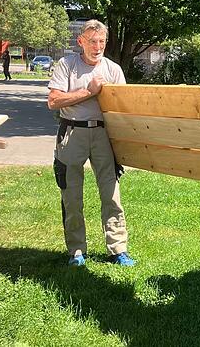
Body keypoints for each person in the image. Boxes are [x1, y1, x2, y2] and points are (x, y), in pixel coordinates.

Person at [47, 19, 135, 267]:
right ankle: (76, 250)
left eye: (101, 42)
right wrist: (89, 91)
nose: (97, 47)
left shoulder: (113, 69)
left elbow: (124, 107)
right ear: (81, 42)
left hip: (103, 135)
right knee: (72, 195)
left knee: (111, 194)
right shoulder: (67, 66)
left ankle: (118, 249)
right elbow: (53, 101)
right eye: (92, 41)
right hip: (72, 133)